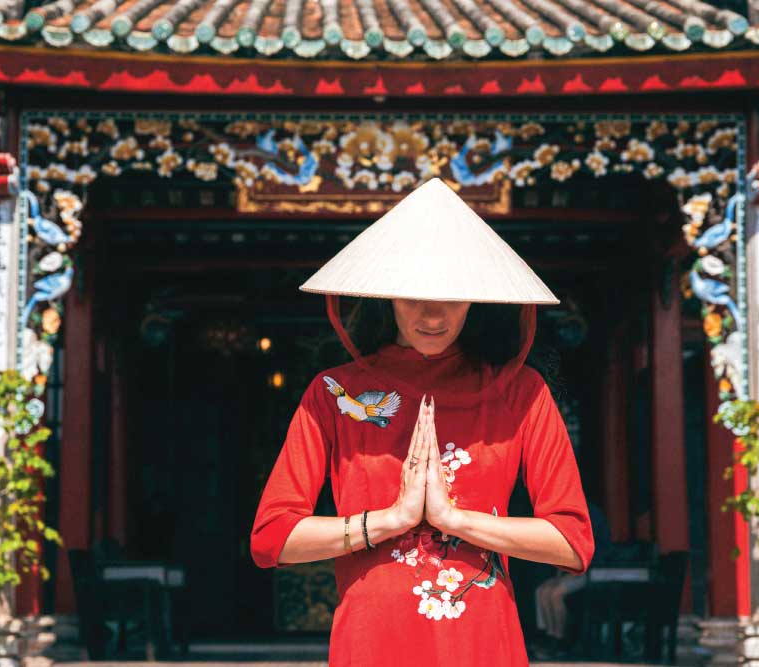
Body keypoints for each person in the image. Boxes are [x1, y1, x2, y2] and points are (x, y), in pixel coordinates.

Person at [250, 178, 595, 667]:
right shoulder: (335, 394)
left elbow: (573, 543)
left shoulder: (520, 392)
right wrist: (390, 520)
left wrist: (454, 519)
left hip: (481, 645)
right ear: (387, 294)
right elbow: (271, 538)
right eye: (414, 297)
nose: (433, 316)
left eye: (452, 297)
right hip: (372, 642)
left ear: (477, 297)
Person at [532, 502, 613, 659]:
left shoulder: (591, 513)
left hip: (591, 570)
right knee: (542, 591)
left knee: (556, 594)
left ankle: (560, 639)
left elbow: (594, 550)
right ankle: (547, 634)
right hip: (569, 570)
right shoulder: (562, 514)